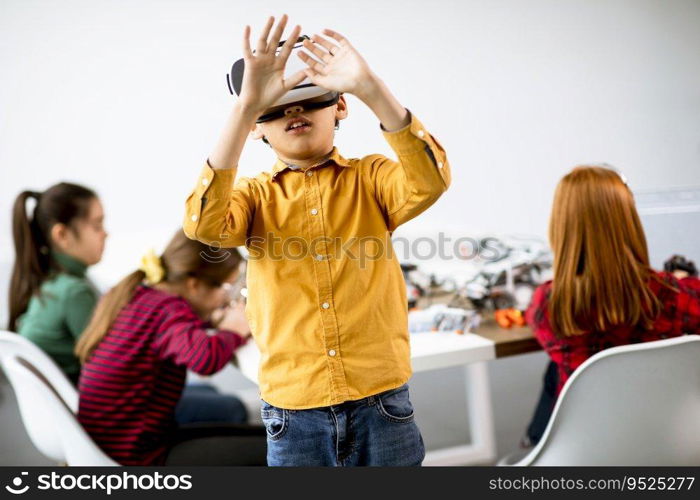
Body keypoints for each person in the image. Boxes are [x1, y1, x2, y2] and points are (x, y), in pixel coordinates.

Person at [183, 15, 451, 466]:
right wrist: (244, 107)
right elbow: (204, 224)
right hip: (293, 412)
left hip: (381, 402)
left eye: (308, 101)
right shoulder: (252, 196)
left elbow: (430, 179)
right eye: (277, 107)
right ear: (255, 129)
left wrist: (371, 88)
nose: (294, 112)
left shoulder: (372, 178)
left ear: (340, 107)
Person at [522, 165, 700, 446]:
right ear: (629, 221)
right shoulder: (673, 293)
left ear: (561, 226)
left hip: (588, 450)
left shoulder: (549, 304)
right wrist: (680, 281)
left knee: (557, 371)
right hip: (671, 444)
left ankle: (532, 442)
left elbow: (534, 316)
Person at [75, 230, 266, 465]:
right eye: (225, 289)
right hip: (138, 457)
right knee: (276, 448)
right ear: (194, 284)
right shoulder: (167, 311)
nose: (227, 299)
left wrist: (215, 320)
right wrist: (235, 330)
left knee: (263, 436)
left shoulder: (141, 295)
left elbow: (175, 332)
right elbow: (205, 359)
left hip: (112, 446)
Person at [9, 183, 106, 385]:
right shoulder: (74, 292)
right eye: (97, 225)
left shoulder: (49, 285)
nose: (105, 234)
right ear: (61, 235)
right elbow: (109, 365)